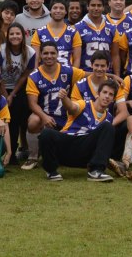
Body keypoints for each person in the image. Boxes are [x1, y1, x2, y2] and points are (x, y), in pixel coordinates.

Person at [23, 42, 86, 170]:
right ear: (40, 55)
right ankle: (33, 157)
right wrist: (44, 117)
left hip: (65, 118)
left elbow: (90, 75)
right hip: (46, 118)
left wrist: (112, 76)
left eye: (52, 53)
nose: (49, 56)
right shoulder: (34, 76)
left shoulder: (68, 70)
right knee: (33, 121)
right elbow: (32, 103)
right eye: (45, 53)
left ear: (58, 54)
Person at [39, 80, 117, 182]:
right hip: (68, 143)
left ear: (113, 99)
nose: (107, 96)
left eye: (111, 94)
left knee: (109, 127)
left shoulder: (109, 118)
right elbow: (72, 108)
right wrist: (64, 98)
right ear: (98, 94)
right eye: (105, 92)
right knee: (46, 133)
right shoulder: (84, 104)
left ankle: (96, 171)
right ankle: (51, 171)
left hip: (84, 153)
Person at [0, 23, 35, 161]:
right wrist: (5, 95)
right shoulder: (1, 50)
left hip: (18, 88)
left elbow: (25, 75)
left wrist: (12, 94)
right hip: (1, 87)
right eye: (12, 34)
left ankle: (17, 151)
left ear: (23, 35)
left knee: (19, 119)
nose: (15, 36)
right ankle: (5, 152)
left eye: (18, 34)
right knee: (7, 119)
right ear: (7, 36)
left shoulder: (30, 52)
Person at [32, 0, 81, 69]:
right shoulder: (39, 32)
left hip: (66, 77)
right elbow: (35, 60)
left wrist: (73, 76)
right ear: (50, 11)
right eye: (55, 8)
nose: (58, 11)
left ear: (65, 11)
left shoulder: (73, 33)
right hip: (45, 77)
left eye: (61, 8)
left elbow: (77, 59)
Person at [76, 0, 119, 72]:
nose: (96, 8)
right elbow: (75, 57)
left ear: (103, 8)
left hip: (107, 75)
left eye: (99, 5)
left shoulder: (112, 28)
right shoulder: (77, 28)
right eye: (93, 5)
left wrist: (117, 76)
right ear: (87, 7)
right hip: (86, 75)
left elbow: (115, 55)